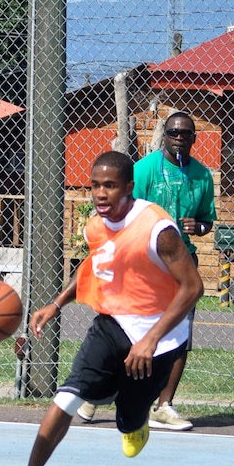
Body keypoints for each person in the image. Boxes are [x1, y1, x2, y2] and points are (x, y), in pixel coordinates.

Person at [4, 151, 203, 466]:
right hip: (112, 324)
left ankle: (135, 420)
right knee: (68, 395)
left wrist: (151, 339)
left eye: (109, 186)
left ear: (128, 187)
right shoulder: (95, 226)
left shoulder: (157, 229)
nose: (100, 193)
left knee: (127, 421)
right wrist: (57, 302)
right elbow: (94, 261)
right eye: (95, 185)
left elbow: (192, 288)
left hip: (159, 338)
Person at [77, 112, 216, 431]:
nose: (179, 138)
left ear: (194, 139)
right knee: (122, 330)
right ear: (164, 136)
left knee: (179, 335)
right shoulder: (144, 170)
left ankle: (163, 406)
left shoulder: (202, 176)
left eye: (185, 134)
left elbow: (208, 219)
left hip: (180, 264)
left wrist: (201, 226)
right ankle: (97, 394)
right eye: (173, 133)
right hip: (140, 263)